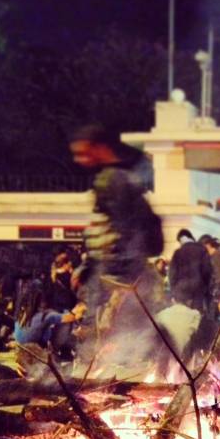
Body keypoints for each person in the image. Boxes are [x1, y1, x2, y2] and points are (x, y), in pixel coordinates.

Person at [69, 124, 163, 342]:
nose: (79, 160)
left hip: (118, 274)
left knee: (115, 334)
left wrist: (112, 273)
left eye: (83, 152)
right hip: (124, 272)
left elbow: (121, 229)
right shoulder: (124, 176)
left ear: (99, 147)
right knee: (134, 333)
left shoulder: (111, 180)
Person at [13, 286, 85, 351]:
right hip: (34, 348)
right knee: (64, 323)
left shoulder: (21, 314)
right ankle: (58, 349)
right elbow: (71, 317)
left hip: (20, 346)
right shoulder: (45, 316)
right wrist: (78, 309)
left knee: (52, 320)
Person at [168, 229, 212, 313]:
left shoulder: (178, 253)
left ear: (181, 239)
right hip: (198, 292)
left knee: (183, 319)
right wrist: (204, 287)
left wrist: (174, 292)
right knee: (196, 318)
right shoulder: (202, 250)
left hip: (181, 293)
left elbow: (172, 274)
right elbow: (207, 271)